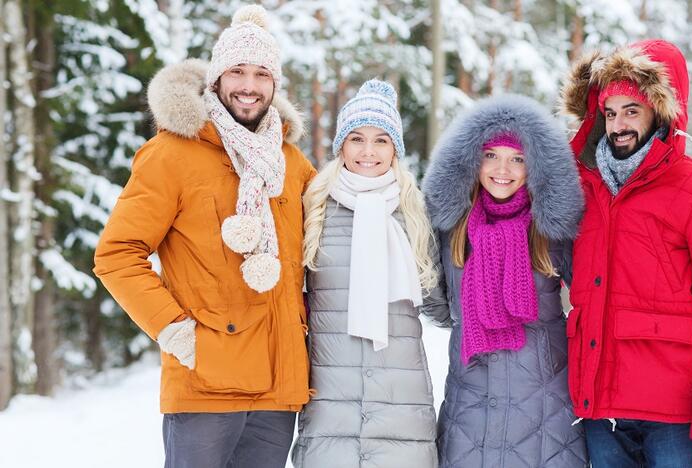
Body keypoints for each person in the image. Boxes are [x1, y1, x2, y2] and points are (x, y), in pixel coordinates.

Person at [93, 5, 315, 467]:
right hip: (206, 387)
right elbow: (117, 255)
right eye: (237, 71)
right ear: (216, 78)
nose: (249, 86)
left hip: (279, 391)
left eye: (261, 74)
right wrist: (174, 330)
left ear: (274, 85)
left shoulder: (292, 164)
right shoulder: (171, 153)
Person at [558, 39, 692, 467]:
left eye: (632, 111)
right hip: (600, 407)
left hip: (672, 414)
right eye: (610, 112)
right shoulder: (584, 189)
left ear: (661, 111)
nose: (618, 125)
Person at [421, 94, 589, 468]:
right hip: (471, 408)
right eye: (491, 155)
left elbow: (593, 296)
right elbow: (436, 300)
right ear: (472, 160)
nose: (503, 168)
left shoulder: (553, 229)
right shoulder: (451, 227)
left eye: (518, 158)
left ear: (536, 165)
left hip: (545, 412)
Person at [291, 79, 443, 468]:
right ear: (341, 144)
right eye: (357, 138)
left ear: (395, 149)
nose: (368, 152)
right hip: (329, 396)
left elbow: (441, 303)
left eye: (382, 140)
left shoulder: (415, 212)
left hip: (401, 399)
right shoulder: (314, 207)